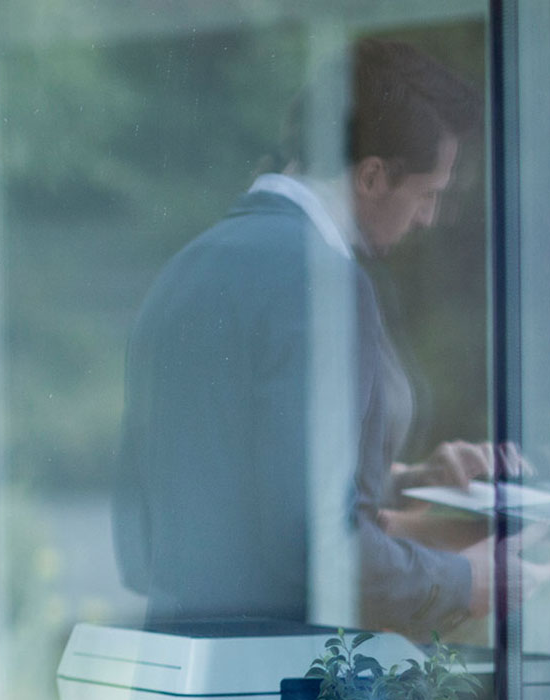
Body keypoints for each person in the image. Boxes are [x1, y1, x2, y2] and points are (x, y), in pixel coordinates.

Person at [112, 39, 523, 638]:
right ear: (374, 176)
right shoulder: (324, 284)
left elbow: (211, 496)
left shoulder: (186, 269)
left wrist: (403, 479)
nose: (429, 218)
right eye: (429, 193)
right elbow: (316, 547)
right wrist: (465, 579)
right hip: (284, 665)